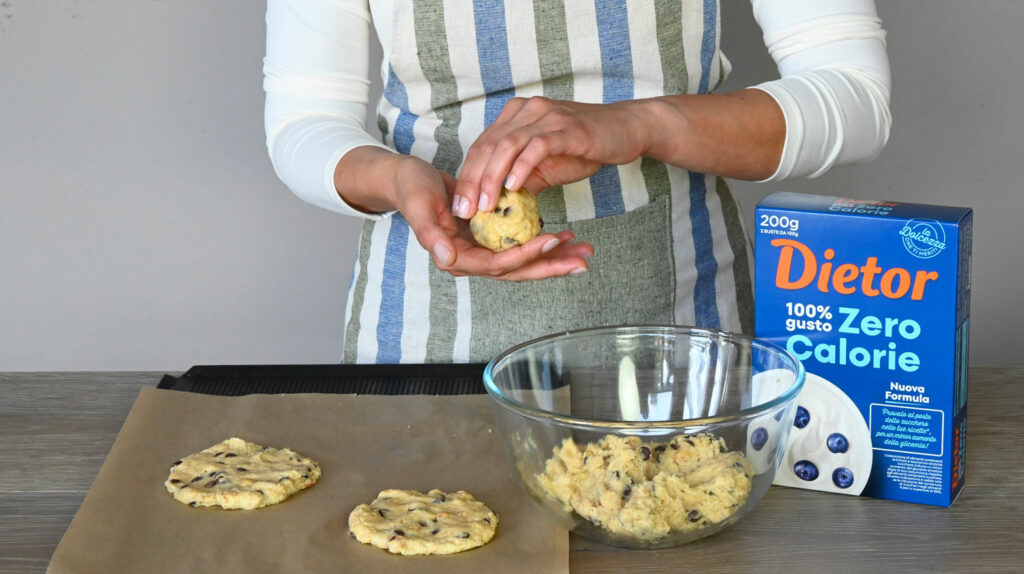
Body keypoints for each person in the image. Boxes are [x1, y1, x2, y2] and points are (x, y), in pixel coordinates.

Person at [263, 0, 891, 364]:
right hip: (425, 334)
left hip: (682, 328)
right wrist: (399, 180)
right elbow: (305, 121)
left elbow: (859, 103)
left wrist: (645, 123)